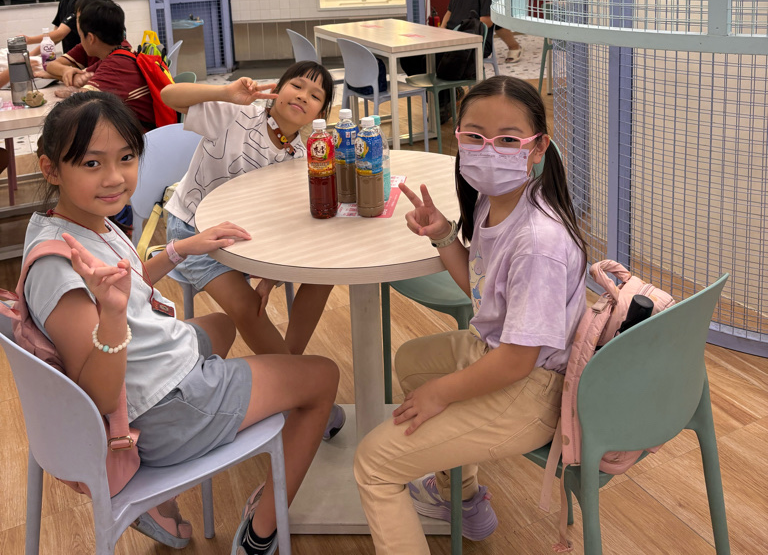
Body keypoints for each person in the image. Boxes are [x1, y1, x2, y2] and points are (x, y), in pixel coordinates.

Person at [24, 91, 339, 554]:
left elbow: (128, 285)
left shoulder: (80, 221)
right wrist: (112, 317)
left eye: (126, 158)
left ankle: (229, 412)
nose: (114, 177)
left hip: (154, 371)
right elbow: (101, 395)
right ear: (51, 169)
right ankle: (262, 533)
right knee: (324, 376)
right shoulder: (59, 269)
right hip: (161, 409)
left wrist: (180, 250)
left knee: (223, 325)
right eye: (92, 164)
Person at [354, 76, 587, 554]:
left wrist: (441, 394)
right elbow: (482, 291)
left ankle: (450, 487)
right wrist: (443, 233)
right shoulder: (490, 202)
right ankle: (461, 498)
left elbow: (517, 362)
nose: (489, 150)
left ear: (538, 147)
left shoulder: (538, 242)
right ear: (458, 138)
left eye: (508, 140)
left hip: (532, 389)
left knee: (374, 464)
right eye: (475, 137)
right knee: (412, 362)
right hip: (504, 355)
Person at [160, 61, 346, 439]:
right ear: (276, 88)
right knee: (247, 307)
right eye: (297, 86)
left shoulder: (301, 153)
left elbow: (285, 219)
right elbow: (168, 95)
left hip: (253, 241)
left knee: (325, 273)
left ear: (320, 113)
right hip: (196, 233)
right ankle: (300, 390)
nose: (303, 97)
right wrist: (225, 92)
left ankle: (289, 378)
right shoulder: (235, 113)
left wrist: (271, 276)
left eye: (315, 96)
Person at [45, 0, 157, 131]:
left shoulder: (115, 65)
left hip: (144, 137)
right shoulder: (119, 55)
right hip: (137, 128)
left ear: (90, 38)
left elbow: (79, 102)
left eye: (81, 36)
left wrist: (73, 92)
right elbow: (83, 85)